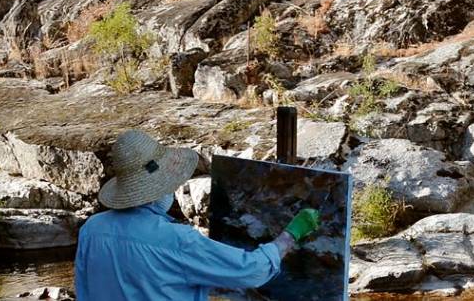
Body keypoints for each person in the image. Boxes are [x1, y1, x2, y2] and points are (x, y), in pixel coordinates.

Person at [75, 129, 322, 301]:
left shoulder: (91, 229)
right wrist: (291, 235)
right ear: (161, 187)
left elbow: (84, 290)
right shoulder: (177, 240)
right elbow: (251, 270)